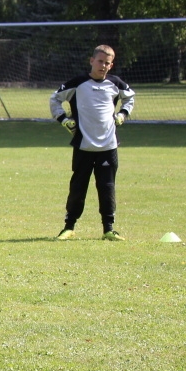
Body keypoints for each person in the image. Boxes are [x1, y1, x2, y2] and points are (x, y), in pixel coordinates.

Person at [49, 44, 135, 241]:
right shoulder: (77, 83)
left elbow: (130, 98)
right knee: (78, 187)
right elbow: (54, 99)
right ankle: (69, 227)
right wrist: (63, 120)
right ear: (91, 61)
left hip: (108, 146)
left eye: (107, 63)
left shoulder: (115, 84)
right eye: (100, 61)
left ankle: (109, 229)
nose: (103, 66)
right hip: (83, 146)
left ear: (111, 65)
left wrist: (122, 114)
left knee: (107, 187)